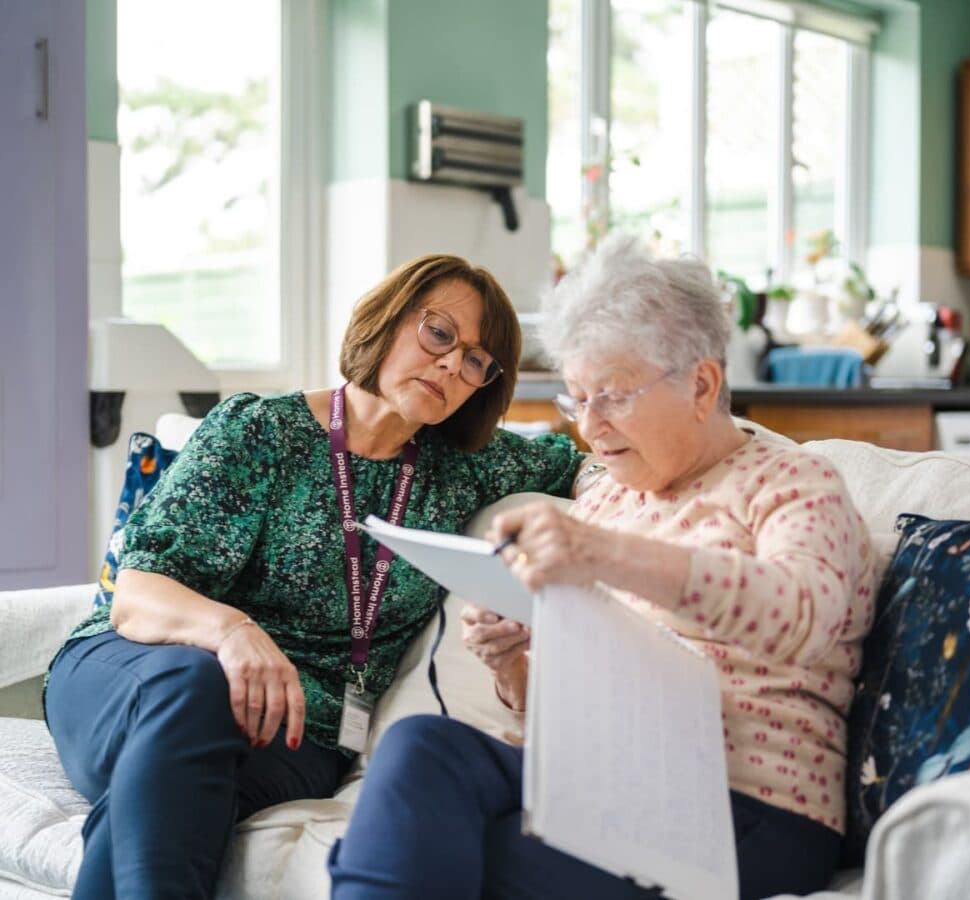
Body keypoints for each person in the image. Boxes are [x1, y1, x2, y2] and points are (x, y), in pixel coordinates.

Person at [327, 235, 877, 900]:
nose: (590, 426)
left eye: (612, 396)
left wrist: (606, 555)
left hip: (748, 810)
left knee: (466, 857)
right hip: (610, 782)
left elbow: (804, 615)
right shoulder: (608, 494)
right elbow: (576, 704)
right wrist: (513, 664)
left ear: (701, 385)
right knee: (422, 747)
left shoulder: (793, 483)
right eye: (576, 398)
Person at [44, 253, 588, 900]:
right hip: (138, 674)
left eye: (475, 360)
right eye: (439, 333)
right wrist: (231, 632)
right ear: (387, 321)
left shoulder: (465, 469)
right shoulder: (259, 433)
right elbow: (136, 596)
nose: (451, 364)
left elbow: (594, 464)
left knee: (168, 799)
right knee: (194, 687)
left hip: (300, 736)